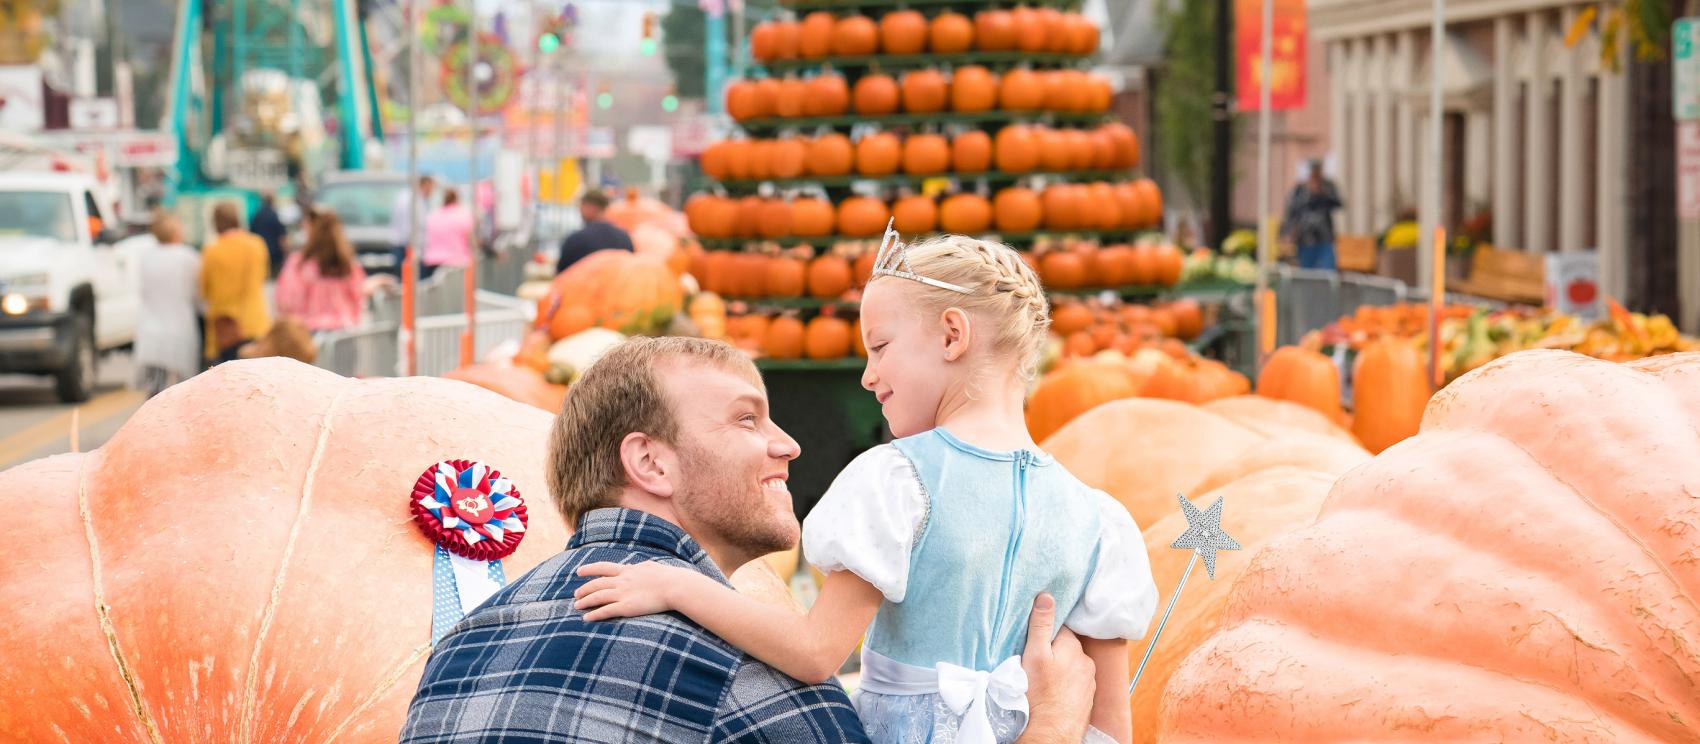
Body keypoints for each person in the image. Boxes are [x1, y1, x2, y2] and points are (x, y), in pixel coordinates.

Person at [574, 233, 1160, 743]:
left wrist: (677, 585)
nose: (867, 374)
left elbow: (812, 651)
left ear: (952, 335)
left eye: (880, 346)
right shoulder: (1098, 518)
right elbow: (1109, 725)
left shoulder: (898, 480)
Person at [401, 336, 1100, 744]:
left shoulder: (458, 647)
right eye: (747, 421)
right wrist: (1056, 723)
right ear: (650, 463)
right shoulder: (755, 687)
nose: (790, 445)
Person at [132, 212, 201, 397]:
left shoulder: (146, 257)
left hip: (150, 329)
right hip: (180, 328)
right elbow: (198, 294)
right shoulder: (188, 257)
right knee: (184, 389)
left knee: (154, 391)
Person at [200, 202, 273, 364]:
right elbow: (264, 275)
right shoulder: (257, 244)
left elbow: (204, 290)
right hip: (256, 323)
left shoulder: (212, 251)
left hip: (226, 328)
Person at [275, 209, 368, 334]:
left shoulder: (299, 264)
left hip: (309, 334)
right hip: (345, 334)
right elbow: (358, 294)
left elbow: (288, 302)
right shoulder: (348, 264)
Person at [1281, 159, 1344, 270]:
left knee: (1328, 268)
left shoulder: (1328, 186)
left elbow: (1338, 203)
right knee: (1307, 270)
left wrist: (1321, 192)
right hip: (1305, 236)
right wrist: (1287, 231)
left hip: (1325, 235)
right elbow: (1292, 210)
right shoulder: (1300, 188)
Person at [554, 189, 633, 275]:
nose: (580, 210)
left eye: (581, 205)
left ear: (590, 206)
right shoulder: (624, 237)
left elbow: (561, 274)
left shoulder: (577, 239)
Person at [422, 187, 473, 279]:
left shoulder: (433, 215)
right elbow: (471, 239)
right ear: (457, 198)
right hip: (457, 263)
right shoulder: (463, 215)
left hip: (433, 262)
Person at [390, 174, 435, 275]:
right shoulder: (414, 200)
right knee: (412, 280)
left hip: (404, 245)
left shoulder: (405, 196)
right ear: (426, 185)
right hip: (408, 247)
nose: (432, 192)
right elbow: (410, 227)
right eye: (431, 188)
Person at [250, 190, 288, 278]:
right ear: (272, 201)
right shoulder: (275, 215)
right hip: (275, 256)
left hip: (260, 254)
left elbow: (251, 236)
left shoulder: (256, 216)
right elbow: (282, 238)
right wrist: (286, 254)